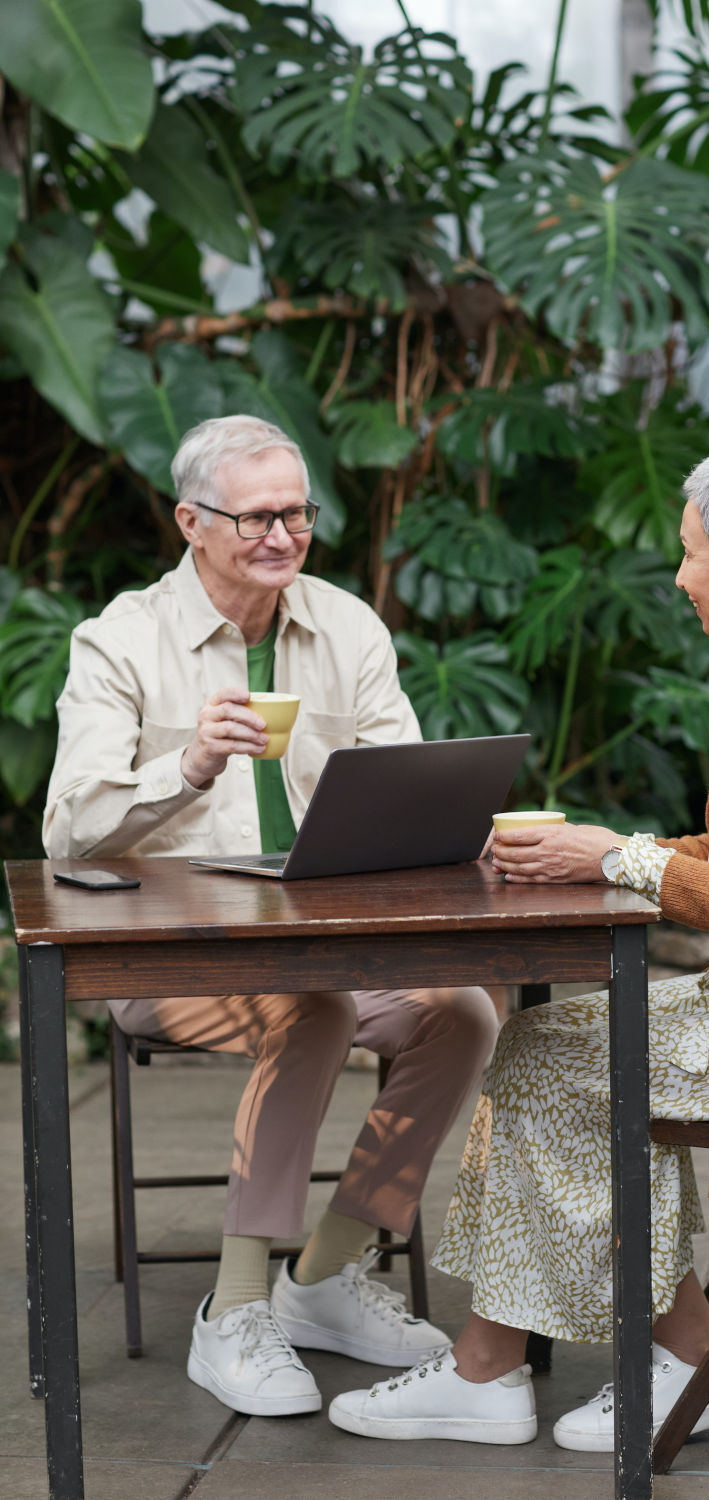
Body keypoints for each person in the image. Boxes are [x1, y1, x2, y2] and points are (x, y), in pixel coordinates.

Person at [328, 440, 709, 1450]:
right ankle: (588, 1358)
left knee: (553, 1064)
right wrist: (596, 855)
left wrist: (621, 861)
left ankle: (612, 1363)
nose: (675, 576)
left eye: (690, 553)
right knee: (546, 1051)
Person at [43, 415, 498, 1419]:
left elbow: (407, 787)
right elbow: (69, 829)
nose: (281, 536)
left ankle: (325, 1278)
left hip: (333, 946)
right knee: (314, 1009)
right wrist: (188, 767)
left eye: (296, 513)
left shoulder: (346, 627)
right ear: (191, 522)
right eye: (255, 519)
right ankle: (233, 1310)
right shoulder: (118, 639)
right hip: (166, 965)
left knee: (462, 1010)